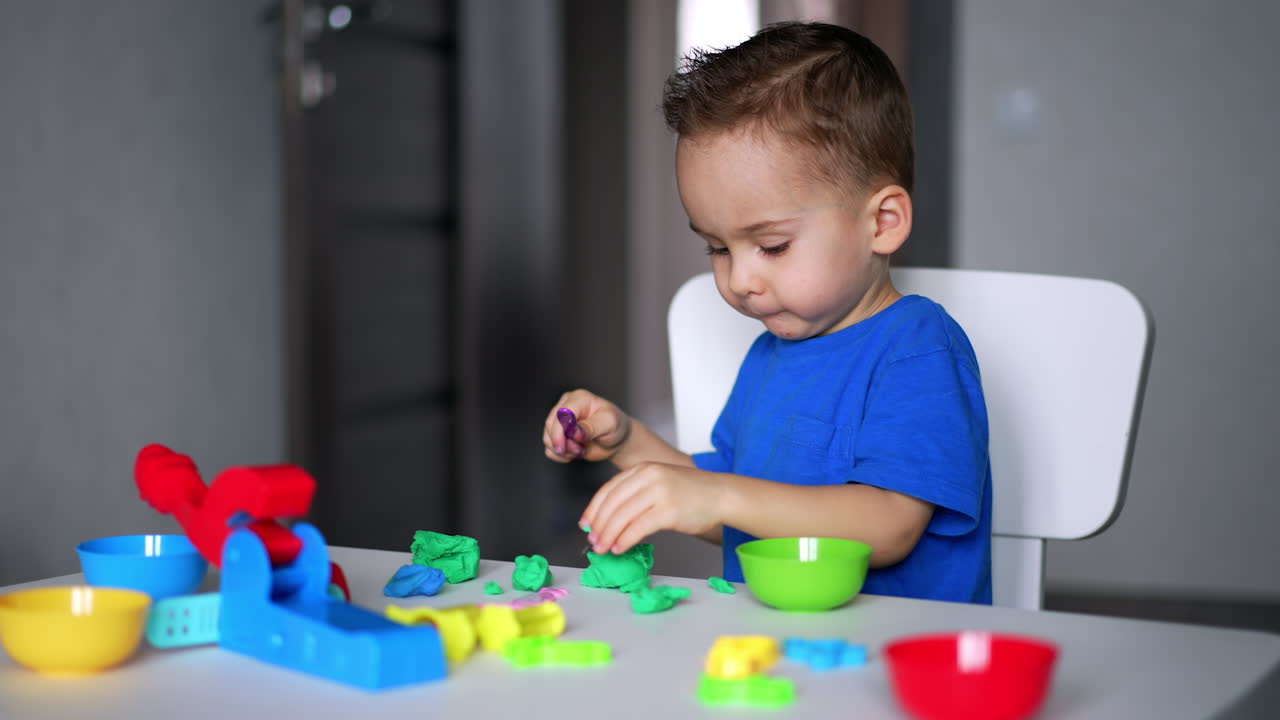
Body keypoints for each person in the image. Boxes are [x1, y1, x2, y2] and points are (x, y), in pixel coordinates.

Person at [542, 21, 991, 603]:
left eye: (773, 245)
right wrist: (627, 442)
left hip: (897, 654)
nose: (740, 280)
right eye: (718, 247)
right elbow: (726, 511)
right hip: (772, 652)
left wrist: (719, 496)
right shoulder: (771, 355)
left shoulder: (918, 348)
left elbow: (890, 526)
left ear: (882, 223)